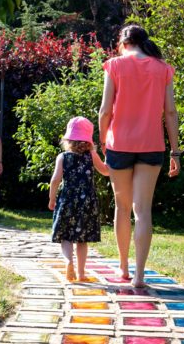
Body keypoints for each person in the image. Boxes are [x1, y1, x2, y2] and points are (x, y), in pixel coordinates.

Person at [99, 24, 181, 288]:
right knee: (142, 211)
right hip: (151, 145)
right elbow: (170, 113)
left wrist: (102, 140)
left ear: (122, 43)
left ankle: (123, 267)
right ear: (143, 41)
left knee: (122, 208)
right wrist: (175, 150)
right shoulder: (163, 69)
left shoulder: (114, 65)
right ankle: (140, 275)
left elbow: (105, 110)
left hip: (119, 144)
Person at [48, 116, 109, 282]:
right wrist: (109, 157)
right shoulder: (91, 155)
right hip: (87, 201)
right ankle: (81, 274)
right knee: (82, 240)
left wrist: (52, 199)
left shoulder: (63, 157)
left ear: (68, 139)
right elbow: (105, 171)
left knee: (66, 236)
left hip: (67, 199)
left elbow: (55, 180)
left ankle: (68, 262)